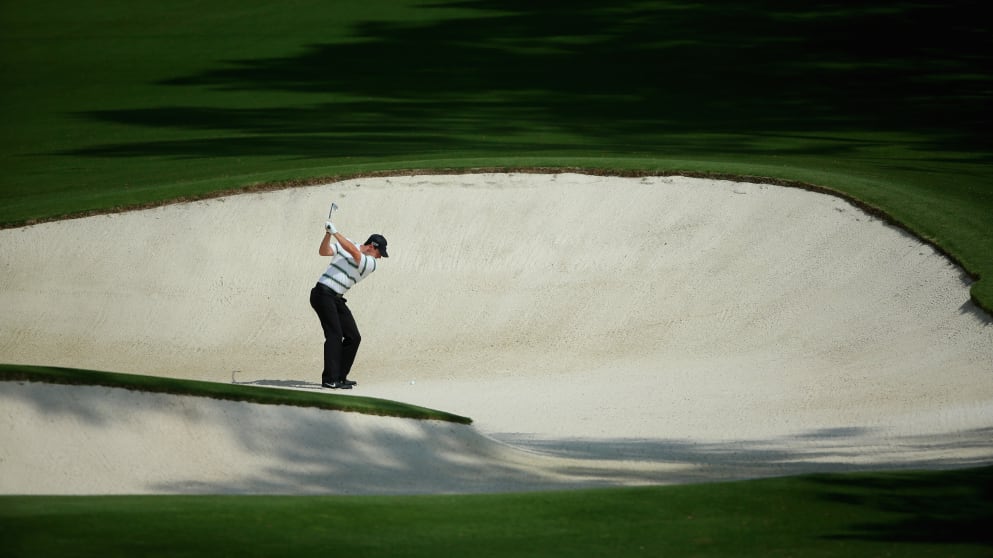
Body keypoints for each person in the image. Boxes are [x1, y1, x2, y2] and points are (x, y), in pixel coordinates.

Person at [309, 217, 388, 389]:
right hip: (322, 293)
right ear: (372, 246)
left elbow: (353, 252)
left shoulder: (370, 263)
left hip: (336, 298)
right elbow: (324, 252)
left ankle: (340, 376)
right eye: (380, 252)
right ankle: (330, 379)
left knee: (354, 337)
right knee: (335, 335)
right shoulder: (349, 244)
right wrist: (328, 235)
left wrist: (335, 232)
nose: (380, 257)